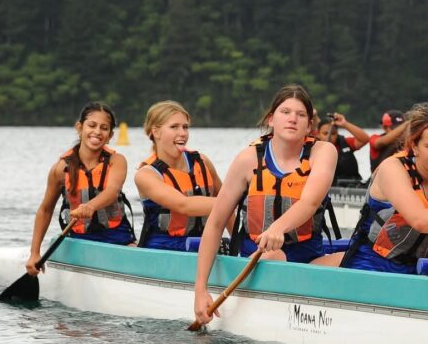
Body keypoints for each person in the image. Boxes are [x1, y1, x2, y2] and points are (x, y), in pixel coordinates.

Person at [192, 85, 338, 326]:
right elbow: (216, 223)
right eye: (285, 112)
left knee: (352, 260)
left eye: (301, 114)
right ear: (271, 119)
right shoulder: (247, 159)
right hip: (260, 256)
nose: (292, 119)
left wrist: (278, 227)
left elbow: (310, 202)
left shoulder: (323, 152)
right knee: (274, 254)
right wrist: (200, 290)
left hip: (310, 259)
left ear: (309, 125)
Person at [339, 103, 428, 274]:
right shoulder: (392, 169)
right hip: (368, 265)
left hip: (420, 271)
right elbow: (419, 220)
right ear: (414, 146)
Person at [25, 101, 135, 275]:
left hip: (117, 236)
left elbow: (112, 192)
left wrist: (90, 206)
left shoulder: (117, 161)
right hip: (79, 238)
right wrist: (34, 253)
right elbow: (45, 210)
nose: (97, 132)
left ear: (110, 135)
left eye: (104, 128)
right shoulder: (60, 169)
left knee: (134, 254)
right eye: (92, 125)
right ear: (79, 127)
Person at [134, 101, 224, 251]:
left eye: (185, 127)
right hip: (162, 249)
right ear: (156, 132)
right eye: (174, 127)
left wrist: (237, 246)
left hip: (203, 246)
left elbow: (226, 211)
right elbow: (184, 205)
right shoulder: (146, 175)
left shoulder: (203, 162)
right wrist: (233, 201)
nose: (182, 133)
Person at [316, 112, 370, 186]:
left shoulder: (346, 143)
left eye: (333, 133)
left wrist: (345, 124)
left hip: (351, 185)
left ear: (337, 133)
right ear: (318, 134)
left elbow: (365, 139)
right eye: (325, 133)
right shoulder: (314, 147)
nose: (329, 136)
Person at [367, 109, 407, 176]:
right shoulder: (374, 138)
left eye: (401, 128)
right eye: (395, 128)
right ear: (385, 128)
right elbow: (380, 143)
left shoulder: (408, 140)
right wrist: (406, 124)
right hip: (379, 178)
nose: (400, 132)